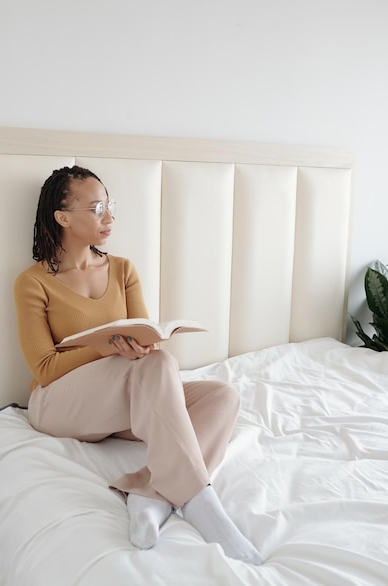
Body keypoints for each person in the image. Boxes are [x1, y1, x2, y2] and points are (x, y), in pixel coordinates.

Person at [14, 165, 262, 564]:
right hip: (59, 404)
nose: (108, 217)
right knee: (155, 366)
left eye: (109, 205)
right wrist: (108, 347)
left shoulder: (123, 270)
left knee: (223, 396)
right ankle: (200, 502)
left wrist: (137, 345)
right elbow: (44, 368)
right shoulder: (33, 282)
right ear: (62, 218)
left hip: (120, 402)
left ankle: (148, 493)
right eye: (96, 208)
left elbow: (147, 339)